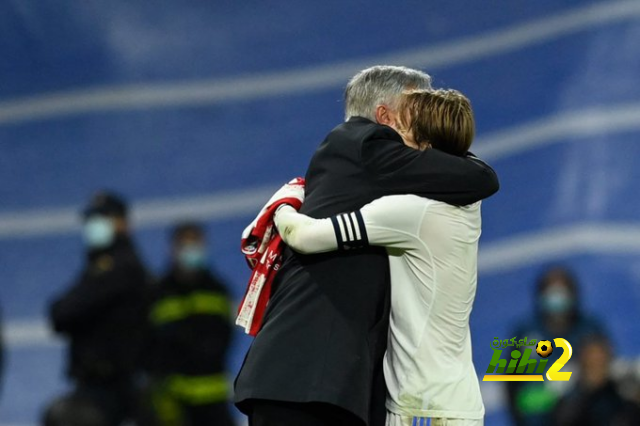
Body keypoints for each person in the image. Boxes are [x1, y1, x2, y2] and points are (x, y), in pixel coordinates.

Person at [234, 65, 499, 426]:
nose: (417, 119)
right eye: (414, 107)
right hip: (307, 378)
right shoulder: (362, 143)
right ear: (384, 116)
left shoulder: (412, 205)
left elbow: (305, 235)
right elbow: (479, 176)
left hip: (340, 386)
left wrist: (282, 205)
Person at [45, 191, 149, 426]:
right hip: (100, 384)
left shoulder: (120, 267)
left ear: (122, 222)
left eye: (103, 217)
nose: (94, 225)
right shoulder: (101, 265)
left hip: (114, 386)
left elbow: (63, 311)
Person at [145, 222, 234, 426]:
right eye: (186, 245)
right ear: (173, 249)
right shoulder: (158, 292)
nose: (191, 251)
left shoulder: (218, 290)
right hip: (172, 404)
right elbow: (148, 343)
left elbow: (225, 338)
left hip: (214, 401)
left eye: (196, 245)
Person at [506, 266, 607, 426]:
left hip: (583, 413)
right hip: (537, 417)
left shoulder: (589, 329)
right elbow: (511, 383)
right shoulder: (526, 333)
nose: (557, 299)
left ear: (573, 294)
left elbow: (602, 373)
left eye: (562, 293)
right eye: (552, 293)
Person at [553, 334, 640, 425]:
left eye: (601, 361)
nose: (596, 365)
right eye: (591, 362)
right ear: (581, 361)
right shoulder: (567, 399)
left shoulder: (623, 396)